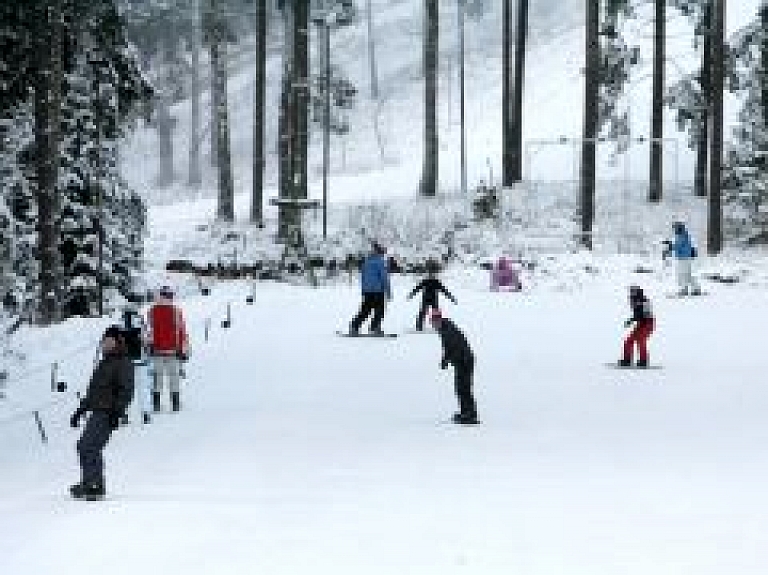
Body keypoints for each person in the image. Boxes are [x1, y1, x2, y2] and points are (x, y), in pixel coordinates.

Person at [69, 326, 134, 500]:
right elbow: (93, 392)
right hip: (97, 411)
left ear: (118, 342)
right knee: (85, 446)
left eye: (109, 341)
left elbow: (126, 390)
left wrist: (117, 413)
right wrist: (80, 410)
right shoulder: (105, 362)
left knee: (89, 446)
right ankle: (90, 481)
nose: (105, 344)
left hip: (107, 412)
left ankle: (94, 484)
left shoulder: (123, 362)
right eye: (104, 341)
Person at [429, 309, 478, 424]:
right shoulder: (445, 328)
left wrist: (448, 359)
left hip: (464, 361)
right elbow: (448, 348)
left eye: (434, 322)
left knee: (463, 388)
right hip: (462, 361)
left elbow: (455, 346)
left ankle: (470, 415)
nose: (433, 325)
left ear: (439, 320)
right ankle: (466, 412)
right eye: (432, 322)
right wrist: (445, 359)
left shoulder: (447, 330)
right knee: (461, 388)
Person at [146, 286, 189, 412]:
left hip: (156, 351)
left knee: (157, 378)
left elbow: (149, 332)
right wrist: (183, 350)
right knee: (174, 378)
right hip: (173, 351)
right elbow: (181, 332)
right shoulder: (176, 311)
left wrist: (149, 347)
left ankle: (156, 404)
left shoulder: (152, 311)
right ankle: (175, 404)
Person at [349, 242, 392, 335]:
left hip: (368, 291)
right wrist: (388, 291)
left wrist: (363, 290)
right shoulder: (380, 262)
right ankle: (374, 327)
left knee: (365, 310)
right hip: (378, 291)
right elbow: (384, 277)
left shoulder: (366, 262)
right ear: (380, 253)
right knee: (379, 310)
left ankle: (354, 326)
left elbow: (363, 277)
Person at [121, 304, 152, 424]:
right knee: (143, 387)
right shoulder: (141, 322)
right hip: (141, 361)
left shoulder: (119, 324)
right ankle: (145, 414)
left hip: (125, 362)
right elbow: (147, 340)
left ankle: (124, 414)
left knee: (125, 389)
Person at [407, 261, 457, 331]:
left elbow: (444, 290)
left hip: (433, 299)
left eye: (433, 274)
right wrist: (412, 294)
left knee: (435, 312)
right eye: (430, 274)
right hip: (426, 299)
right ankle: (419, 326)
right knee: (423, 312)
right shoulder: (425, 281)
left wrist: (451, 297)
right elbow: (417, 288)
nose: (431, 275)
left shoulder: (436, 282)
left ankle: (438, 325)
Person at [619, 285, 655, 368]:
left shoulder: (644, 300)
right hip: (641, 323)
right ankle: (627, 360)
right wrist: (632, 320)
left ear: (637, 292)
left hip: (648, 323)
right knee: (629, 340)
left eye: (632, 291)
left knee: (641, 340)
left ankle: (643, 360)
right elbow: (637, 314)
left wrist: (631, 320)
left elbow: (645, 314)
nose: (631, 293)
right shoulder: (633, 300)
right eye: (630, 291)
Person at [663, 221, 701, 296]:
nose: (674, 230)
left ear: (679, 228)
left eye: (675, 228)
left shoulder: (683, 236)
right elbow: (678, 245)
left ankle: (685, 289)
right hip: (684, 257)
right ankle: (694, 288)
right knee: (686, 274)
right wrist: (670, 244)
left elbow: (677, 246)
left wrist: (669, 246)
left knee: (683, 274)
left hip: (684, 258)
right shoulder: (682, 235)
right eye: (674, 228)